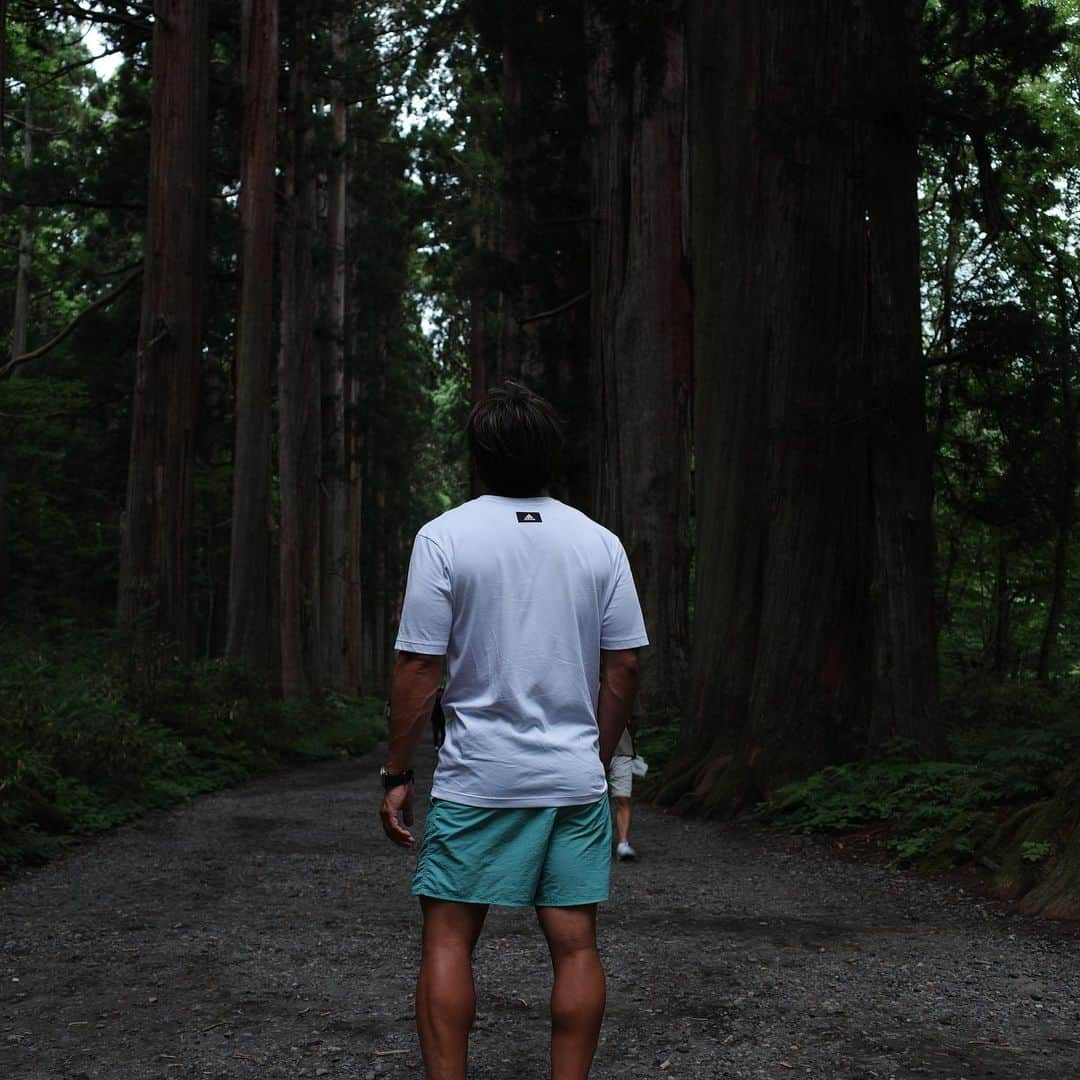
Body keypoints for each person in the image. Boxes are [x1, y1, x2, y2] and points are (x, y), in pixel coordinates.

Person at [378, 380, 648, 1080]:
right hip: (571, 779)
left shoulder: (444, 538)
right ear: (549, 457)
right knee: (576, 946)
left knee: (446, 941)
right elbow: (622, 666)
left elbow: (417, 668)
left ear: (479, 458)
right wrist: (592, 752)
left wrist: (398, 772)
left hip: (477, 778)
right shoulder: (600, 544)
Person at [607, 723, 637, 861]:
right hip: (589, 747)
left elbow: (634, 719)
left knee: (623, 797)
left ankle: (623, 843)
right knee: (592, 799)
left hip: (622, 749)